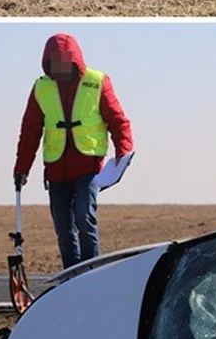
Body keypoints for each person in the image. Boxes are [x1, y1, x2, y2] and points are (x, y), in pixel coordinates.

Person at [13, 33, 133, 269]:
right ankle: (72, 276)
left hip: (89, 167)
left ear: (75, 60)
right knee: (63, 227)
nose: (60, 68)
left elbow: (119, 122)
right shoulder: (41, 87)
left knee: (83, 217)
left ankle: (92, 272)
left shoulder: (97, 82)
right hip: (56, 170)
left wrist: (124, 151)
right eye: (54, 63)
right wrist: (21, 169)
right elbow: (30, 132)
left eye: (65, 62)